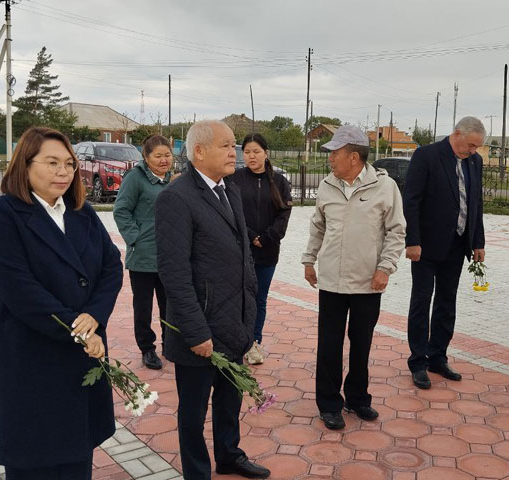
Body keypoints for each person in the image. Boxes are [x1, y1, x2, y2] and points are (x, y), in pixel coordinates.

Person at [0, 127, 123, 479]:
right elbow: (20, 290)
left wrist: (94, 315)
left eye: (69, 164)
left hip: (81, 350)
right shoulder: (5, 216)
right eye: (52, 163)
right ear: (24, 166)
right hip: (31, 354)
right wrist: (78, 327)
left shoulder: (80, 211)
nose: (64, 172)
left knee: (77, 450)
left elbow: (110, 265)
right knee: (36, 456)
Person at [155, 120, 270, 480]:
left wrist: (249, 316)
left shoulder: (229, 189)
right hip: (200, 329)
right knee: (192, 413)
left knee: (228, 401)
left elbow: (243, 257)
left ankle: (229, 455)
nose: (234, 153)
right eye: (226, 146)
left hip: (233, 323)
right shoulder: (176, 198)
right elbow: (174, 273)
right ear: (200, 151)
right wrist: (195, 332)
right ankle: (197, 472)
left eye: (234, 145)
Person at [302, 125, 406, 430]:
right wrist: (309, 261)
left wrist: (385, 268)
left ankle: (358, 398)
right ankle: (329, 403)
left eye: (336, 152)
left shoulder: (385, 188)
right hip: (332, 282)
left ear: (355, 157)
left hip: (368, 282)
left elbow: (396, 231)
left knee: (362, 344)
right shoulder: (326, 186)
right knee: (329, 345)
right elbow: (318, 227)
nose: (331, 158)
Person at [402, 116, 486, 390]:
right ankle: (418, 361)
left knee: (447, 303)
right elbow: (411, 200)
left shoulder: (475, 162)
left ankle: (438, 355)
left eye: (477, 147)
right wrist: (412, 241)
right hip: (426, 246)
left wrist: (478, 241)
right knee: (421, 302)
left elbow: (476, 202)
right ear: (457, 133)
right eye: (471, 144)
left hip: (458, 244)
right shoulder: (427, 155)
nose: (473, 150)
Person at [230, 133, 292, 365]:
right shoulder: (234, 179)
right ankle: (237, 341)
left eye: (256, 151)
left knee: (259, 298)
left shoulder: (279, 181)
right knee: (238, 297)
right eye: (247, 152)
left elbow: (284, 214)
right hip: (239, 250)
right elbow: (231, 212)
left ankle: (254, 342)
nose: (251, 156)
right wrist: (250, 235)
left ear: (266, 153)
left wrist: (266, 237)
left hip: (267, 250)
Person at [114, 134, 173, 369]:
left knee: (171, 304)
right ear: (146, 157)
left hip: (170, 255)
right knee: (144, 306)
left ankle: (171, 343)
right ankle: (147, 348)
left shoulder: (172, 179)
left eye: (167, 155)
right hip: (143, 256)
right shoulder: (135, 178)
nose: (163, 160)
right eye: (157, 156)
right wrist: (135, 238)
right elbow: (121, 210)